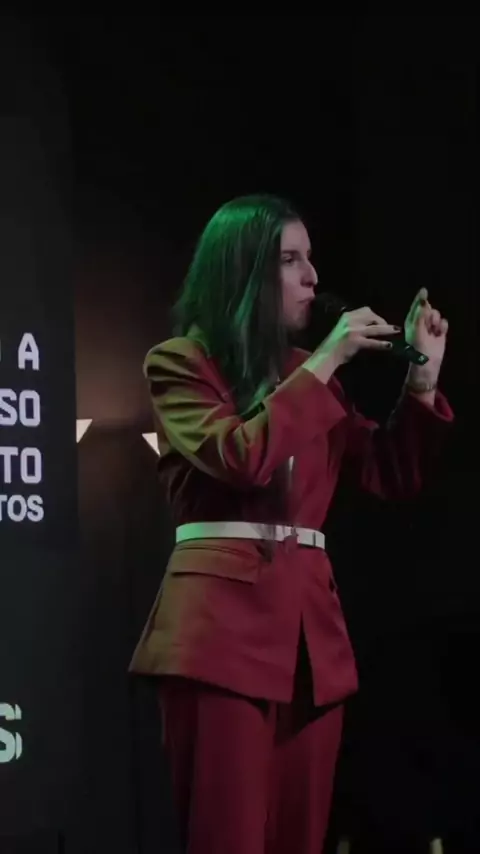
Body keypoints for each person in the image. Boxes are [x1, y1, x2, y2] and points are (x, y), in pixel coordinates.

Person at [129, 194, 453, 854]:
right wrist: (327, 358)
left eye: (312, 258)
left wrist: (421, 384)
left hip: (310, 645)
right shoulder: (181, 363)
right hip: (221, 638)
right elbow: (241, 456)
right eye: (290, 259)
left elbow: (388, 473)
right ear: (243, 272)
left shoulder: (311, 376)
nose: (313, 276)